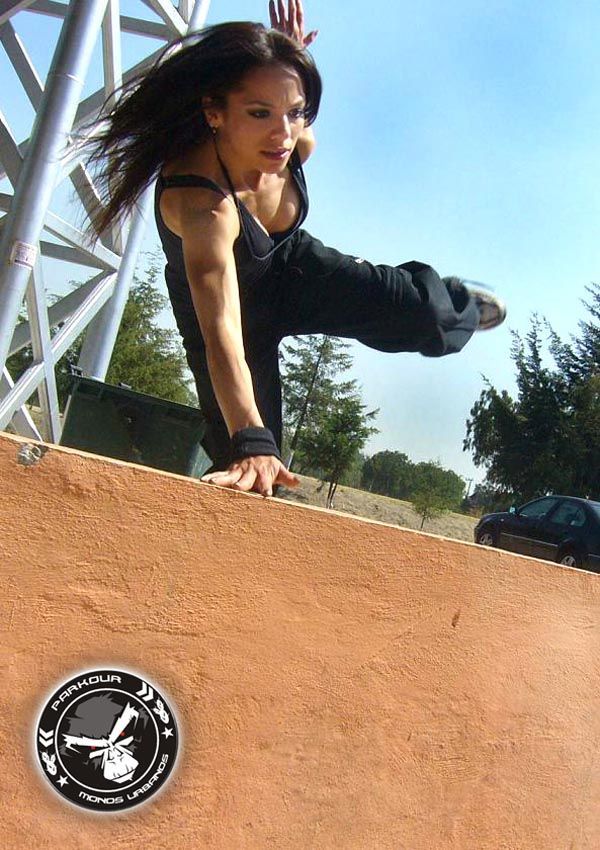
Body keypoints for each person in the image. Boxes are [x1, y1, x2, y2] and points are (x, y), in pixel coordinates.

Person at [86, 0, 505, 498]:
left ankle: (454, 302)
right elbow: (222, 336)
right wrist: (251, 437)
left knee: (424, 312)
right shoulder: (203, 205)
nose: (282, 135)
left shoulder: (291, 144)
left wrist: (293, 58)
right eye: (260, 113)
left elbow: (295, 126)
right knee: (252, 469)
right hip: (229, 318)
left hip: (295, 269)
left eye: (295, 111)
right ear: (213, 111)